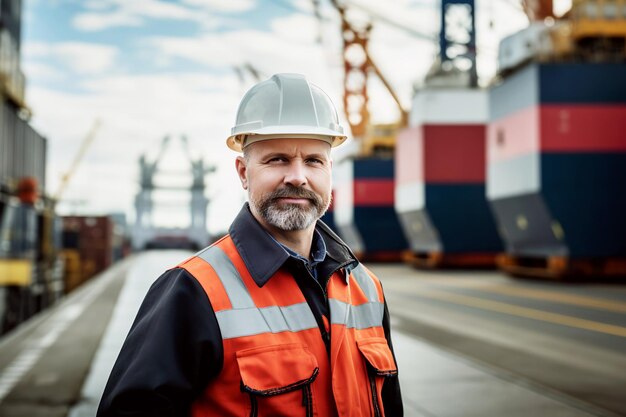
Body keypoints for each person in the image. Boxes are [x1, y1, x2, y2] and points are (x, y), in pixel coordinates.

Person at [97, 73, 403, 417]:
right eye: (278, 159)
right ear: (243, 172)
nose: (298, 176)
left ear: (330, 170)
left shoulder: (367, 288)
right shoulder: (193, 291)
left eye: (314, 160)